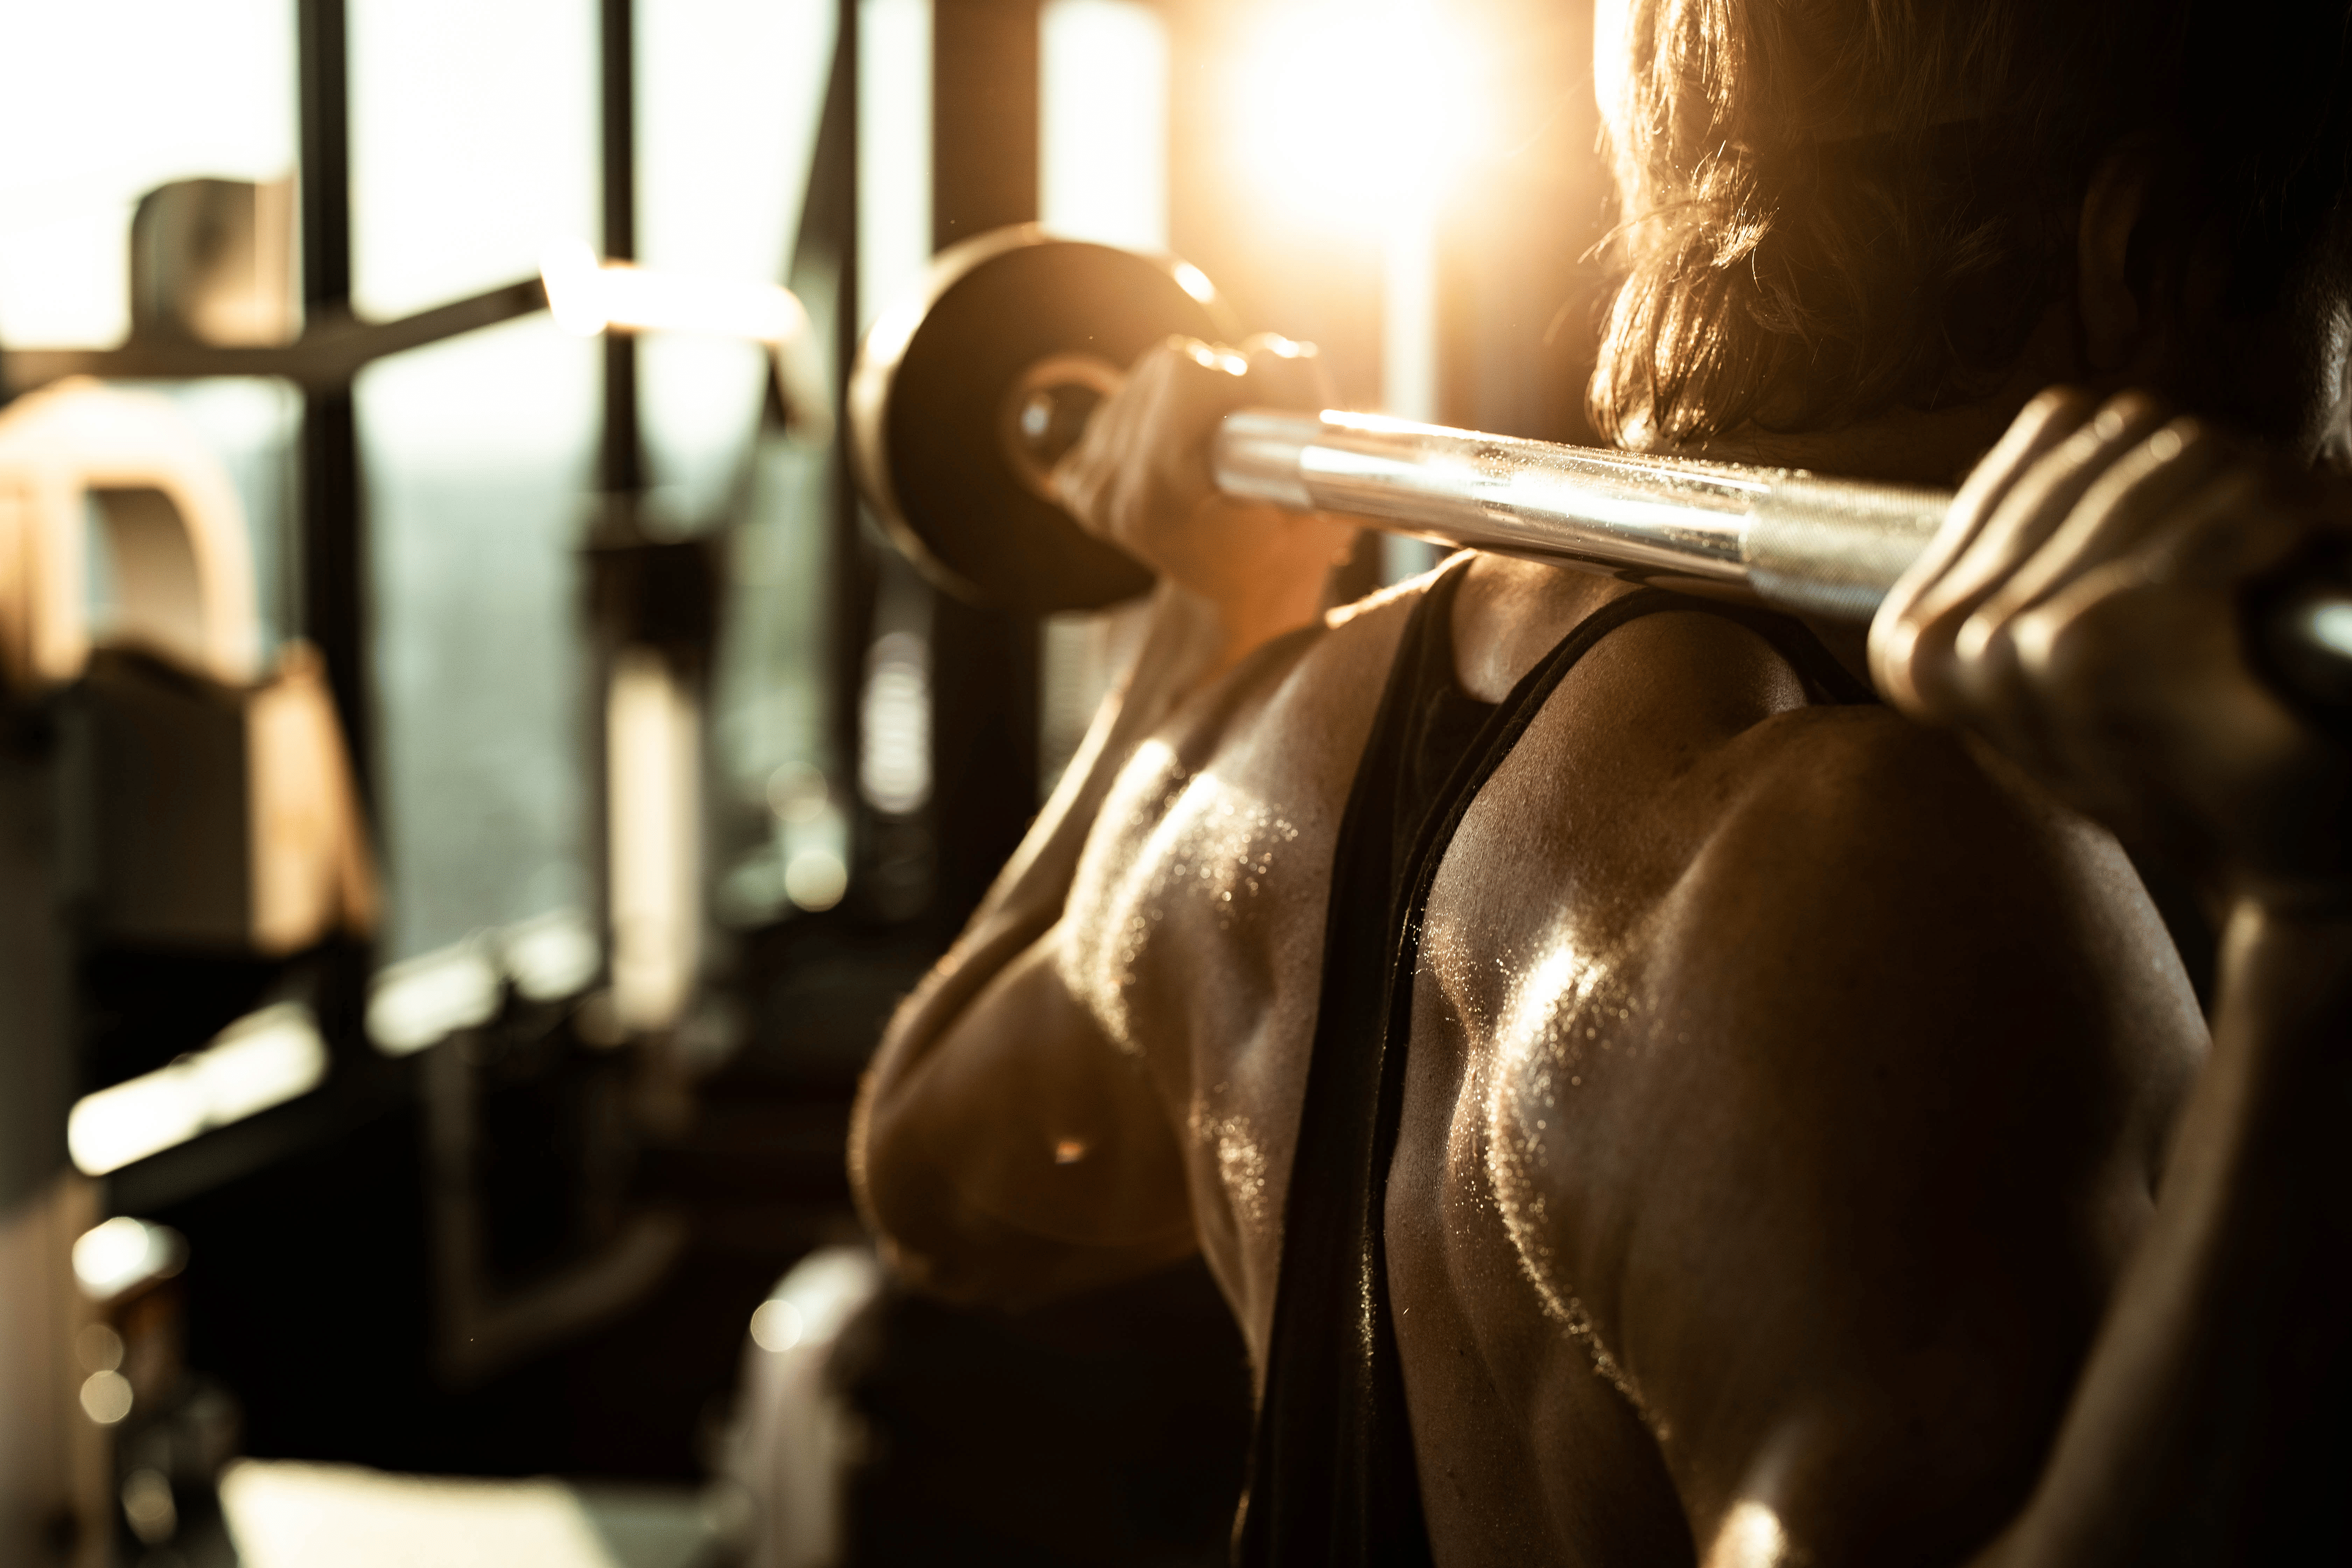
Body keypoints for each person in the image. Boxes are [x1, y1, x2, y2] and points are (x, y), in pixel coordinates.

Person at [851, 0, 2352, 1561]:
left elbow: (930, 1159)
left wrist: (1207, 618)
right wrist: (2321, 950)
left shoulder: (1283, 738)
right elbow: (935, 1177)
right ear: (2147, 261)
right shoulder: (1908, 870)